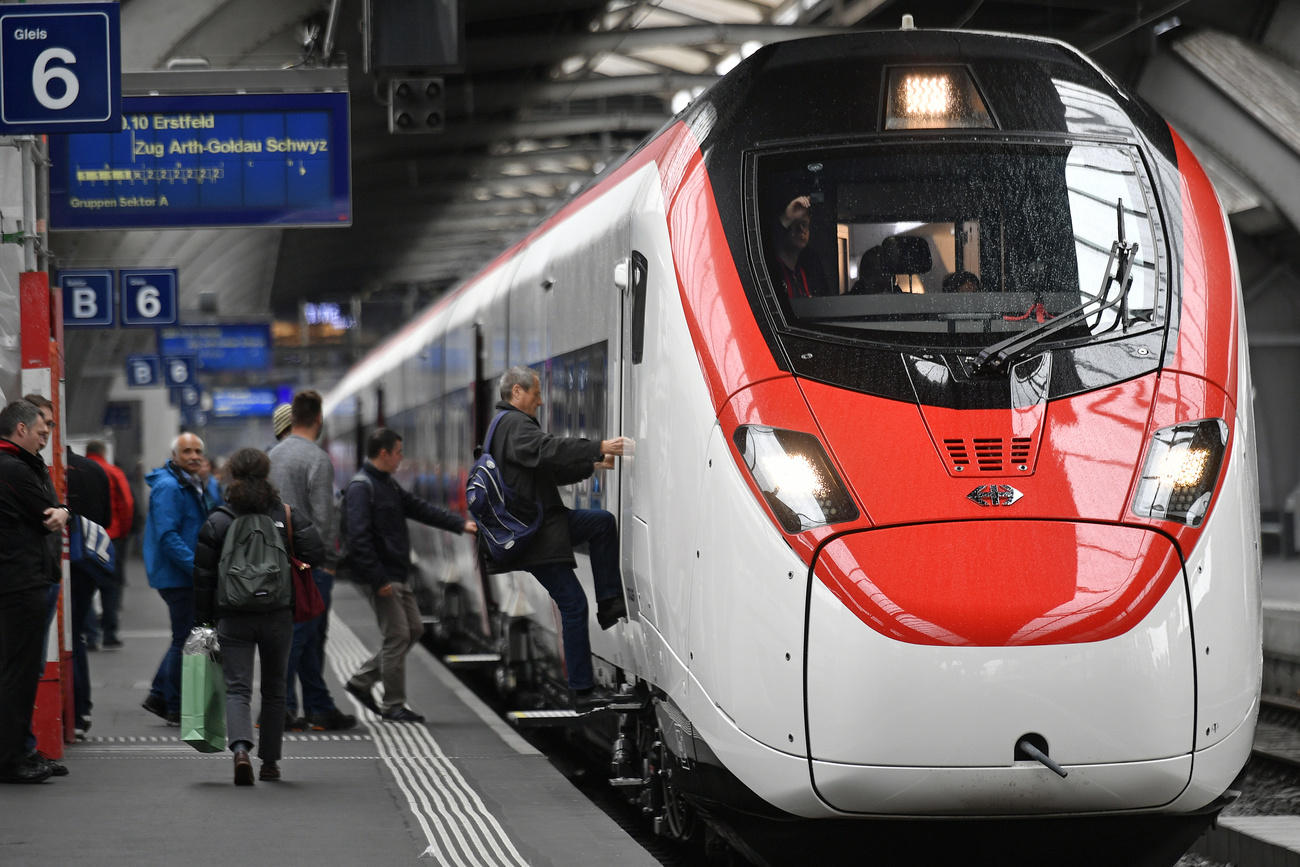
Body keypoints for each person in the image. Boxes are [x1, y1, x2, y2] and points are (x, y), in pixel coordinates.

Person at [488, 366, 630, 709]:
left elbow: (545, 468)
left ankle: (610, 601)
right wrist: (596, 446)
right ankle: (581, 690)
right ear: (517, 392)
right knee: (573, 604)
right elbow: (548, 449)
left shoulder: (504, 427)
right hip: (535, 534)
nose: (539, 400)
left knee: (601, 523)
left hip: (543, 525)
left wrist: (592, 464)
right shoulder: (515, 425)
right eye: (535, 393)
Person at [194, 447, 325, 785]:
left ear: (232, 474)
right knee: (275, 689)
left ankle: (240, 750)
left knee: (237, 688)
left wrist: (205, 619)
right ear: (267, 475)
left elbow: (204, 575)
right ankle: (270, 763)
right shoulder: (285, 514)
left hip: (233, 614)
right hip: (277, 613)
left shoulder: (220, 518)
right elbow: (317, 551)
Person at [343, 428, 476, 723]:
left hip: (397, 573)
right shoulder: (361, 488)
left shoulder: (386, 484)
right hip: (384, 576)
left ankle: (362, 681)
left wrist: (459, 524)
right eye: (399, 452)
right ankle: (393, 704)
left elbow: (419, 508)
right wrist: (378, 579)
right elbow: (358, 538)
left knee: (413, 629)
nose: (402, 459)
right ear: (384, 453)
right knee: (398, 635)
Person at [268, 389, 355, 732]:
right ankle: (283, 707)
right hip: (309, 563)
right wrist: (328, 561)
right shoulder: (316, 459)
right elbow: (323, 518)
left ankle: (318, 705)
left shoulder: (272, 455)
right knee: (303, 635)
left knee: (305, 635)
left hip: (276, 558)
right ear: (318, 419)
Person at [0, 399, 70, 783]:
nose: (46, 435)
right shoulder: (13, 467)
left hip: (16, 579)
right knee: (20, 674)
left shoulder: (16, 465)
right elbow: (48, 516)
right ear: (21, 429)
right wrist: (62, 511)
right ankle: (13, 758)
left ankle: (16, 751)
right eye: (41, 430)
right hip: (22, 580)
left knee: (14, 671)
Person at [142, 432, 213, 725]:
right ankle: (173, 703)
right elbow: (168, 536)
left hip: (181, 573)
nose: (194, 456)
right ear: (174, 456)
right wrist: (196, 567)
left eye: (198, 451)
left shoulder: (188, 483)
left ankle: (160, 694)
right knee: (184, 638)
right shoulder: (170, 487)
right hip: (178, 575)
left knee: (184, 635)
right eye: (187, 452)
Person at [65, 446, 112, 739]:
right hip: (88, 564)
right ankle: (81, 709)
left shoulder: (49, 470)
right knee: (78, 633)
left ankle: (71, 710)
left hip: (57, 562)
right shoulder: (94, 469)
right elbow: (107, 518)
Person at [84, 441, 134, 649]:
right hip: (110, 537)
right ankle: (110, 633)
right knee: (110, 587)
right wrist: (122, 532)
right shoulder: (113, 472)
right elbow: (126, 504)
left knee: (85, 587)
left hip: (84, 537)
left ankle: (90, 635)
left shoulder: (76, 470)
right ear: (103, 452)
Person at [772, 195, 832, 299]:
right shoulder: (771, 264)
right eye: (796, 224)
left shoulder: (811, 266)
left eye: (805, 225)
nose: (801, 230)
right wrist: (786, 218)